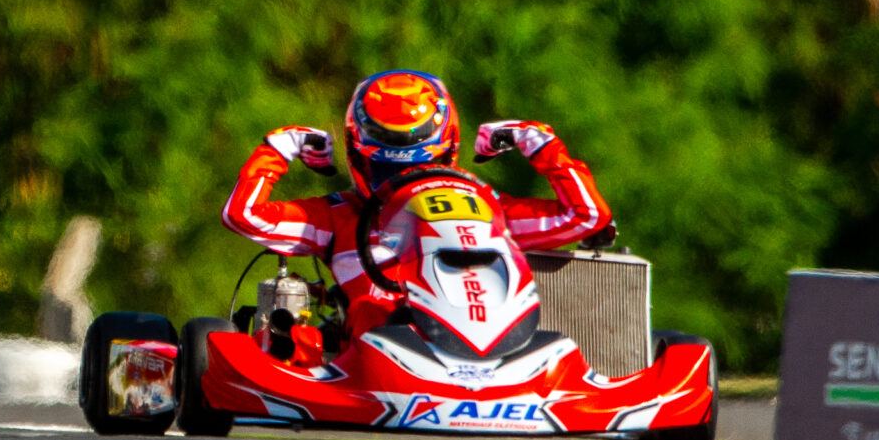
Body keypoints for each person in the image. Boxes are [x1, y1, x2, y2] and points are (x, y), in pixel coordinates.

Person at [222, 69, 611, 336]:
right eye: (385, 170)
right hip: (382, 349)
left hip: (500, 349)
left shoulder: (492, 210)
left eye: (425, 167)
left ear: (448, 153)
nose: (408, 182)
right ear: (361, 158)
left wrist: (540, 144)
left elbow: (588, 215)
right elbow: (244, 215)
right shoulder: (338, 217)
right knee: (364, 315)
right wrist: (280, 148)